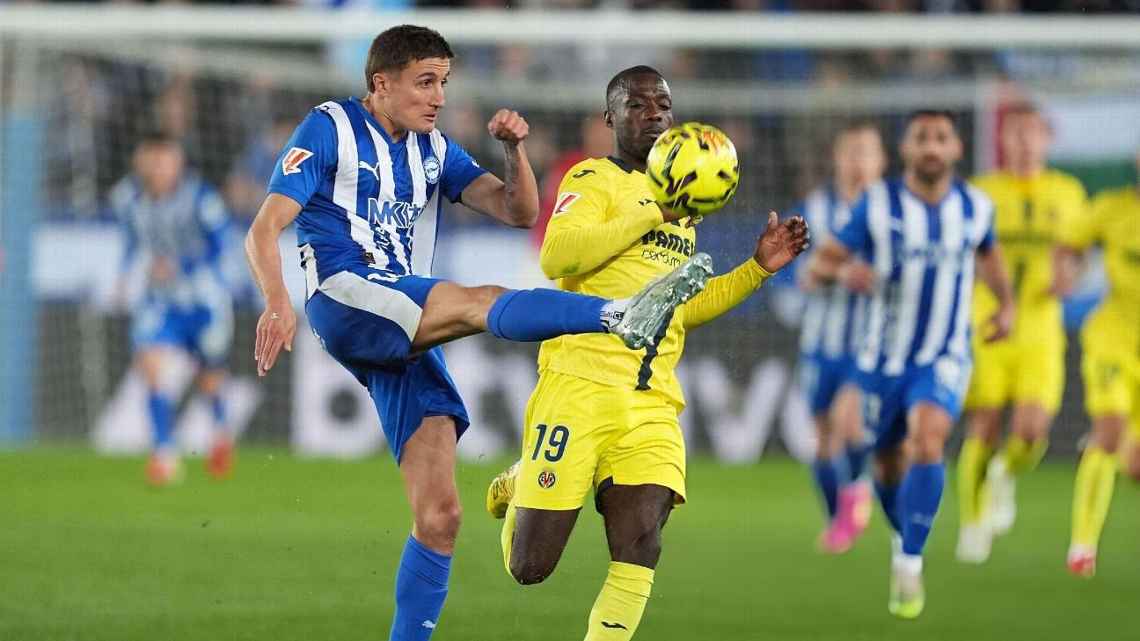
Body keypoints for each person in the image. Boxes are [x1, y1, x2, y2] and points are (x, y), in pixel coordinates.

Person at [243, 28, 710, 641]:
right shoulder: (328, 127)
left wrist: (514, 152)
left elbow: (518, 213)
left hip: (401, 321)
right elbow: (264, 227)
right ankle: (615, 315)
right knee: (478, 301)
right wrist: (278, 299)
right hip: (346, 294)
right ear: (381, 83)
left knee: (441, 516)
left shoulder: (432, 147)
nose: (438, 95)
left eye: (444, 81)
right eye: (425, 81)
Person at [483, 66, 810, 641]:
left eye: (662, 103)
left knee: (641, 542)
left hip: (652, 400)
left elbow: (681, 306)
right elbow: (559, 256)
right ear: (610, 118)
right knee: (528, 568)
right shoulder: (595, 177)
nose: (654, 112)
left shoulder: (688, 208)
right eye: (637, 105)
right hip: (579, 387)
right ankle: (523, 478)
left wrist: (758, 269)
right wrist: (652, 212)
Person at [809, 110, 1015, 619]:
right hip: (882, 360)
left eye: (941, 138)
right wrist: (847, 271)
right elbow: (822, 263)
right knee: (885, 462)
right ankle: (904, 531)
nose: (931, 146)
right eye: (922, 137)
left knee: (928, 438)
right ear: (906, 148)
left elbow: (989, 255)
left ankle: (909, 561)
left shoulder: (975, 207)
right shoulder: (876, 205)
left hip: (944, 354)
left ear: (955, 150)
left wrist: (1006, 303)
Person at [955, 103, 1088, 563]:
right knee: (984, 425)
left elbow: (1080, 250)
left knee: (1031, 435)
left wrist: (1070, 274)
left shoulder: (1068, 193)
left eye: (1032, 133)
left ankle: (1003, 475)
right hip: (987, 323)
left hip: (1041, 328)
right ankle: (972, 525)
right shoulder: (981, 192)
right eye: (1016, 133)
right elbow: (961, 251)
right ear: (1003, 140)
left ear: (1047, 138)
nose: (1025, 141)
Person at [111, 132, 236, 486]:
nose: (158, 167)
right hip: (160, 299)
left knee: (209, 377)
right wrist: (123, 276)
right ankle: (164, 454)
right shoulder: (127, 197)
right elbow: (132, 241)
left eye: (165, 159)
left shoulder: (201, 198)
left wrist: (182, 265)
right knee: (150, 363)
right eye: (152, 158)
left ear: (178, 161)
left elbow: (221, 245)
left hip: (204, 301)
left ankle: (221, 433)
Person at [795, 122, 886, 554]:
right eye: (850, 152)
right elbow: (800, 273)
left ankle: (861, 492)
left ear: (881, 161)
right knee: (825, 438)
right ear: (836, 159)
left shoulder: (892, 211)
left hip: (870, 341)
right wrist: (838, 273)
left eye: (865, 152)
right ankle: (839, 520)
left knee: (850, 423)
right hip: (820, 341)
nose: (857, 161)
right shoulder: (816, 208)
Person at [1054, 148, 1140, 578]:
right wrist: (1067, 272)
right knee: (1109, 432)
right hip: (1113, 341)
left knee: (1135, 464)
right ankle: (1082, 546)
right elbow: (1069, 244)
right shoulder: (1113, 208)